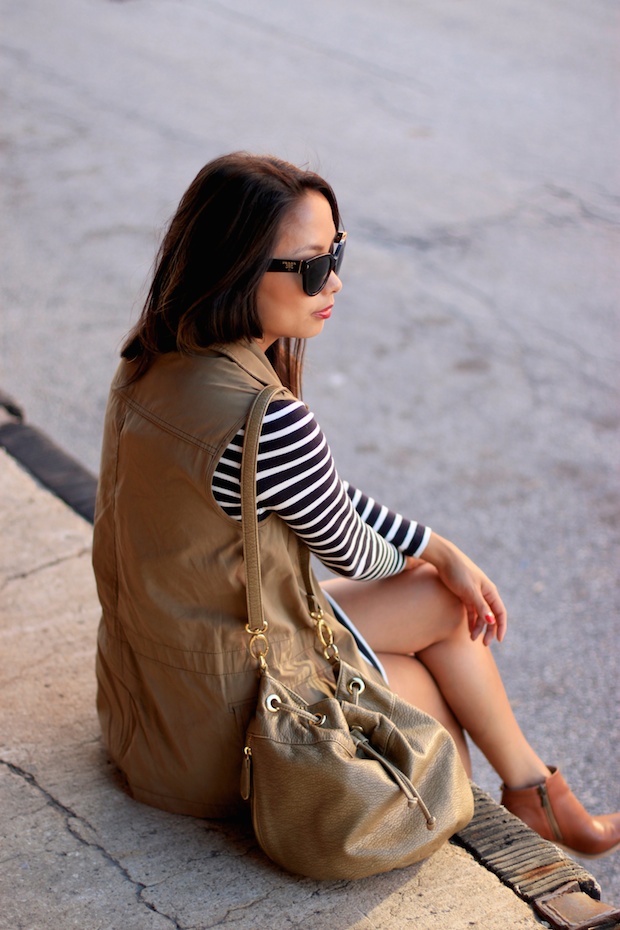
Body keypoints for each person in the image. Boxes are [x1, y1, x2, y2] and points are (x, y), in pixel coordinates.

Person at [92, 151, 620, 860]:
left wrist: (440, 549)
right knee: (427, 699)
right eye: (311, 266)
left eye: (336, 252)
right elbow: (353, 549)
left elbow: (316, 497)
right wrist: (437, 553)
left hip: (152, 711)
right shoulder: (264, 418)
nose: (334, 280)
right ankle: (505, 811)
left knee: (436, 609)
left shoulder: (150, 360)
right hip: (230, 745)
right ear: (237, 267)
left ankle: (530, 792)